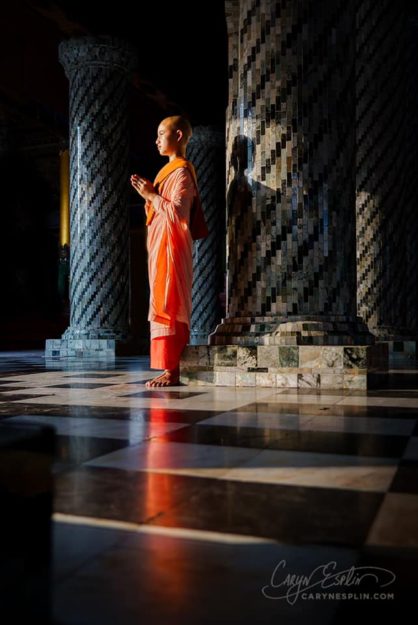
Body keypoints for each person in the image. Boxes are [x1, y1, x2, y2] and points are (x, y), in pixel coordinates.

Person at [130, 116, 207, 387]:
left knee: (170, 302)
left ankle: (173, 369)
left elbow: (178, 214)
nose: (156, 139)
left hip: (173, 247)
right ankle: (167, 366)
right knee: (160, 302)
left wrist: (151, 196)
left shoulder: (183, 171)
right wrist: (150, 197)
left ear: (178, 136)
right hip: (160, 246)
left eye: (161, 133)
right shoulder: (167, 171)